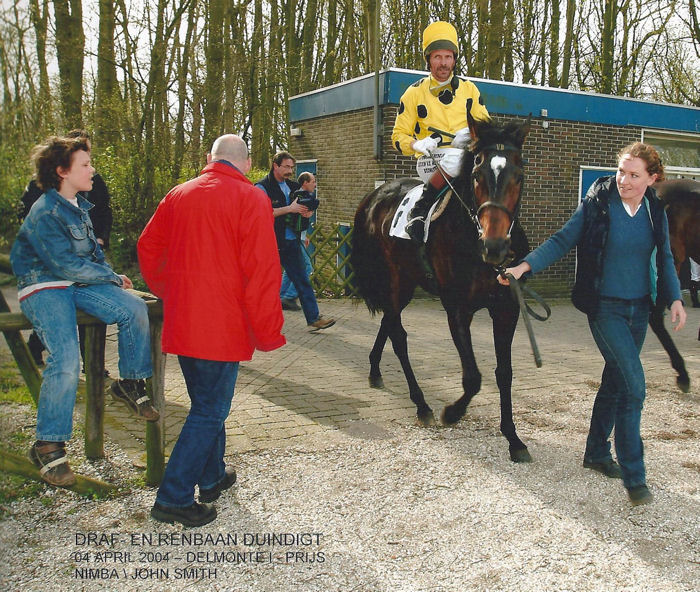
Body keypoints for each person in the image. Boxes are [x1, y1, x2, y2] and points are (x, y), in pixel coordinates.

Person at [498, 142, 687, 507]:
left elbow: (665, 256)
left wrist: (676, 298)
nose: (624, 180)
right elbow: (562, 239)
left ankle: (597, 452)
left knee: (615, 381)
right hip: (604, 308)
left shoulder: (654, 209)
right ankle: (635, 477)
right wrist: (523, 267)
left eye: (634, 175)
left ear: (652, 178)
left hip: (639, 310)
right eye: (621, 172)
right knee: (634, 387)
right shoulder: (598, 203)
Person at [138, 134, 286, 527]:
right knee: (210, 410)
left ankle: (212, 475)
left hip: (184, 320)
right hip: (222, 324)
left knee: (205, 402)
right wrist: (268, 329)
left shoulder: (178, 194)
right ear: (247, 163)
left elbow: (148, 248)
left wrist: (171, 289)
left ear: (209, 158)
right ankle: (173, 497)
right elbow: (262, 270)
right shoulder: (252, 199)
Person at [10, 136, 157, 488]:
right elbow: (64, 264)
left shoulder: (80, 205)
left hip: (77, 283)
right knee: (65, 358)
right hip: (44, 284)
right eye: (86, 165)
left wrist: (109, 275)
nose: (92, 170)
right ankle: (47, 445)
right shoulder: (45, 211)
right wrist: (110, 277)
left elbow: (91, 256)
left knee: (135, 307)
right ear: (62, 171)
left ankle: (129, 383)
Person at [19, 129, 113, 368]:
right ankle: (36, 347)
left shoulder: (95, 180)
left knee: (92, 305)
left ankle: (92, 364)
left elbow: (104, 211)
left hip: (88, 254)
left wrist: (101, 238)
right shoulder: (43, 182)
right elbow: (28, 214)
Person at [392, 21, 491, 244]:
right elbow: (398, 136)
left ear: (454, 59)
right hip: (431, 159)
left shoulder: (469, 90)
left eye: (448, 57)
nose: (443, 63)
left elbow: (487, 126)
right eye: (437, 57)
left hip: (466, 156)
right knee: (456, 158)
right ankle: (419, 211)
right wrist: (417, 144)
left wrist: (472, 135)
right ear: (428, 60)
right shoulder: (413, 93)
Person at [256, 153, 335, 331]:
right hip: (269, 242)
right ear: (275, 166)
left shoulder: (293, 187)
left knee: (302, 279)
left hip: (291, 241)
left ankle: (314, 318)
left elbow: (305, 206)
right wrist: (289, 208)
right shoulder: (262, 187)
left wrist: (307, 213)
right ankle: (258, 322)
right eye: (286, 167)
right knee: (264, 284)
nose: (290, 171)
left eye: (291, 167)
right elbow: (263, 213)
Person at [280, 172, 318, 311]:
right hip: (294, 238)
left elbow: (300, 219)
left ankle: (281, 297)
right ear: (305, 183)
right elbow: (313, 205)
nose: (315, 185)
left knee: (290, 269)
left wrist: (304, 235)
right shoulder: (301, 197)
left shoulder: (299, 196)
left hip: (298, 236)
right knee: (307, 267)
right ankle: (290, 296)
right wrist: (312, 209)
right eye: (313, 181)